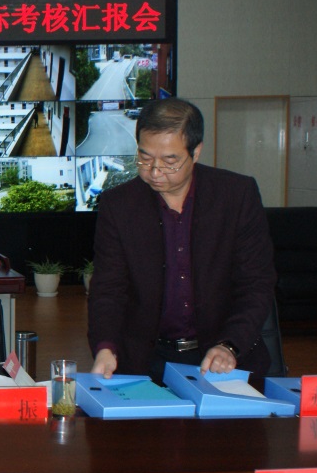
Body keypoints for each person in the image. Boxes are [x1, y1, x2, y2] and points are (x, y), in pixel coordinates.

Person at [88, 98, 276, 382]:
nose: (154, 171)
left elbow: (256, 283)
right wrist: (106, 347)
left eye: (170, 161)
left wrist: (230, 344)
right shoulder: (119, 204)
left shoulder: (236, 196)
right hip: (144, 360)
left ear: (195, 152)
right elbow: (109, 288)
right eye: (145, 158)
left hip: (221, 357)